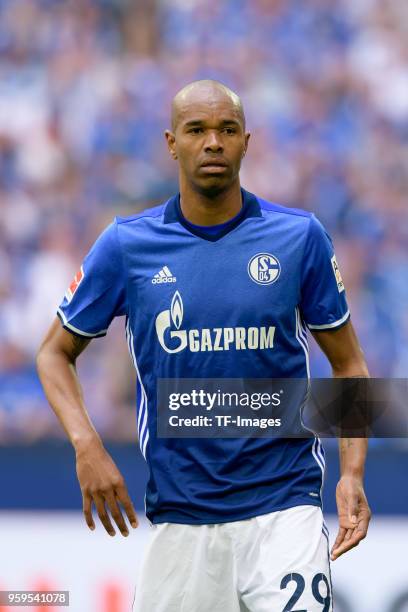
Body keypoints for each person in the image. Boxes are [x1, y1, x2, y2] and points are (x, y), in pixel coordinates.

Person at [37, 80, 371, 612]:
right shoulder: (128, 245)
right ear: (172, 143)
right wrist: (87, 445)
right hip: (181, 516)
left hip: (285, 508)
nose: (213, 142)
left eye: (227, 130)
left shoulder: (299, 238)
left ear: (247, 142)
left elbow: (348, 361)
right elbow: (53, 352)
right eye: (197, 130)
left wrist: (352, 474)